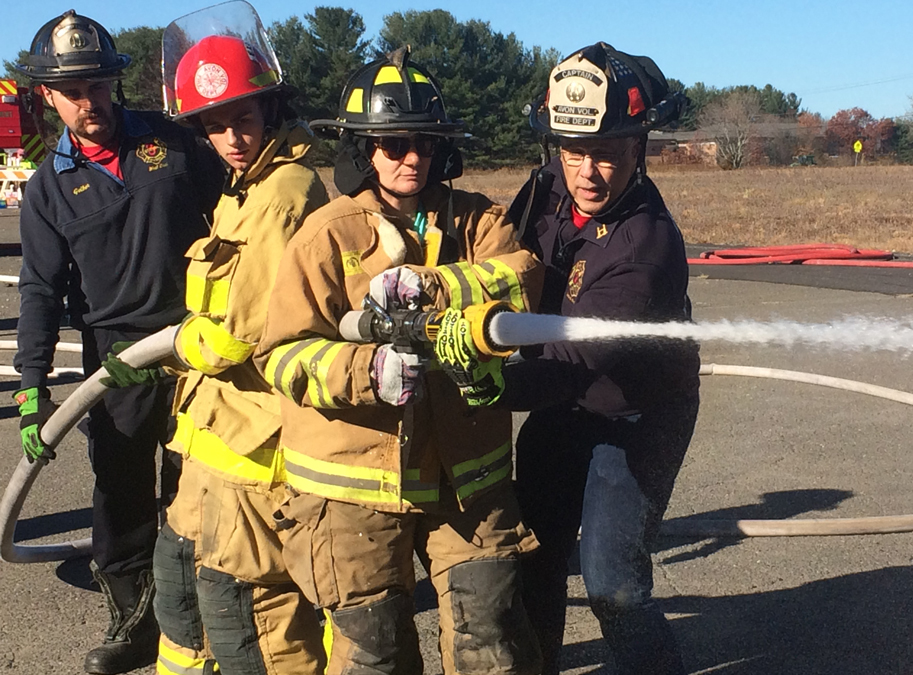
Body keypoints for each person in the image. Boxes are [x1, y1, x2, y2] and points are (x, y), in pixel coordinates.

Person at [254, 47, 543, 675]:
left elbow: (523, 281)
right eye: (393, 144)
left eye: (426, 143)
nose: (413, 157)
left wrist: (436, 287)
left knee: (490, 642)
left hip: (466, 478)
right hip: (352, 490)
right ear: (362, 149)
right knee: (374, 656)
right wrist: (367, 373)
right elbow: (278, 354)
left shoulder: (477, 221)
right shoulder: (327, 235)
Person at [432, 43, 701, 675]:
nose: (585, 170)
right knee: (536, 554)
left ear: (639, 148)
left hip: (634, 413)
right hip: (563, 401)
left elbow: (566, 359)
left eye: (606, 153)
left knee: (611, 583)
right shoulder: (546, 189)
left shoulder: (648, 247)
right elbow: (505, 259)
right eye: (573, 151)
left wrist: (479, 374)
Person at [102, 6, 330, 674]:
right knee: (177, 587)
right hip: (209, 432)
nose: (229, 136)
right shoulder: (244, 185)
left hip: (256, 441)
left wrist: (164, 349)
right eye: (213, 124)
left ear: (269, 108)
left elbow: (239, 334)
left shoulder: (285, 193)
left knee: (247, 616)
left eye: (242, 119)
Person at [11, 11, 222, 674]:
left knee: (205, 484)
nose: (88, 100)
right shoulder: (47, 191)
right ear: (46, 95)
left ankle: (215, 613)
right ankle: (134, 622)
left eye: (98, 85)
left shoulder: (172, 143)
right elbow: (40, 294)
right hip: (119, 359)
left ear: (114, 84)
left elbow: (235, 213)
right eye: (72, 90)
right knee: (122, 493)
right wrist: (30, 391)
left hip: (198, 342)